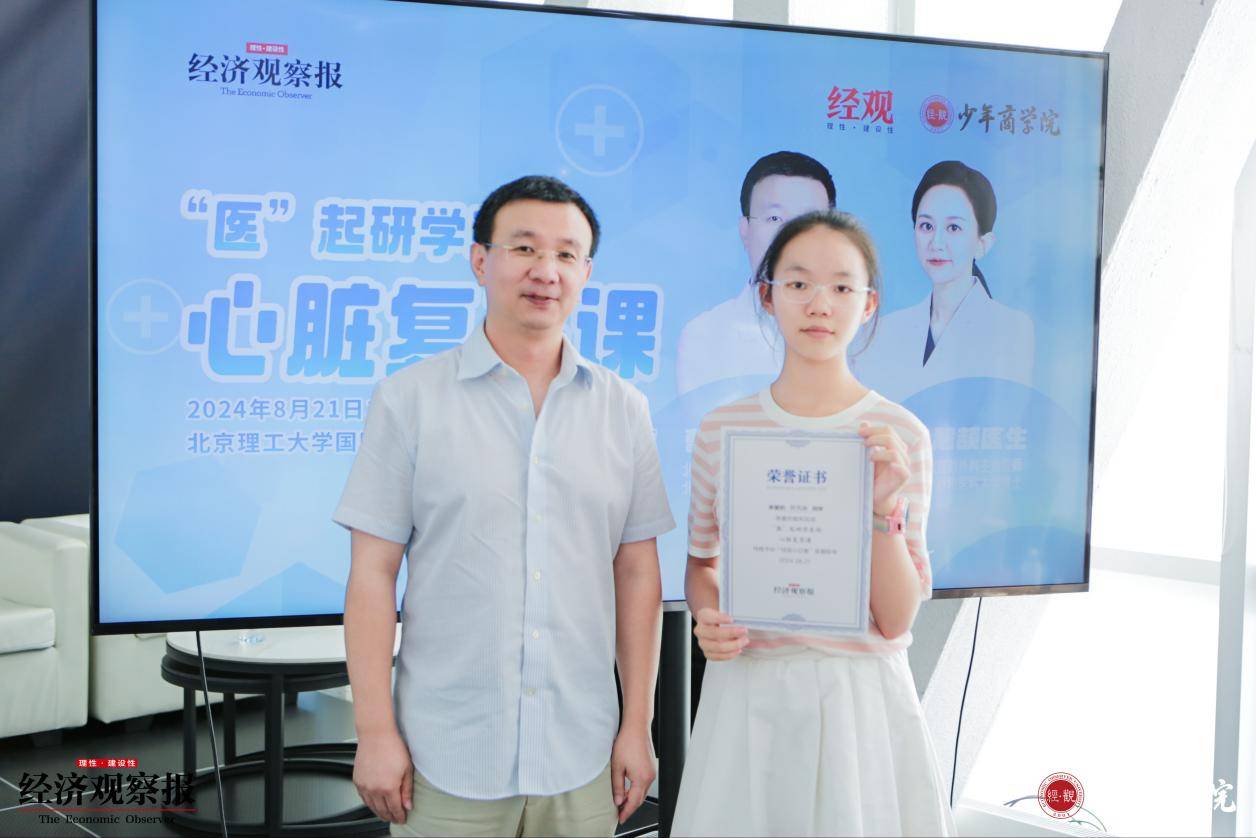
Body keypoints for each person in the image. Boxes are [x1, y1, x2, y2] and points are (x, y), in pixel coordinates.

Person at [334, 175, 675, 837]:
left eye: (567, 254)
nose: (546, 271)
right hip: (445, 755)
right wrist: (374, 731)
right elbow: (372, 573)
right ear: (480, 260)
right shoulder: (409, 400)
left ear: (586, 273)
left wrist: (638, 725)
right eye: (524, 248)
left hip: (583, 753)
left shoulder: (623, 409)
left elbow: (637, 574)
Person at [672, 211, 956, 836]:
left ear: (869, 304)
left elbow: (898, 619)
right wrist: (709, 616)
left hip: (859, 702)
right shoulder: (723, 430)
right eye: (798, 284)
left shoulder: (899, 435)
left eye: (842, 286)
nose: (819, 304)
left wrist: (882, 512)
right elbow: (702, 565)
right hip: (749, 690)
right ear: (767, 296)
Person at [851, 160, 1033, 402]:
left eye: (953, 228)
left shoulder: (1011, 329)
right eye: (926, 226)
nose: (936, 243)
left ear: (983, 244)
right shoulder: (882, 332)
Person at [674, 150, 837, 397]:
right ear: (745, 230)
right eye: (775, 218)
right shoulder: (705, 335)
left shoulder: (858, 331)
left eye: (807, 220)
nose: (790, 235)